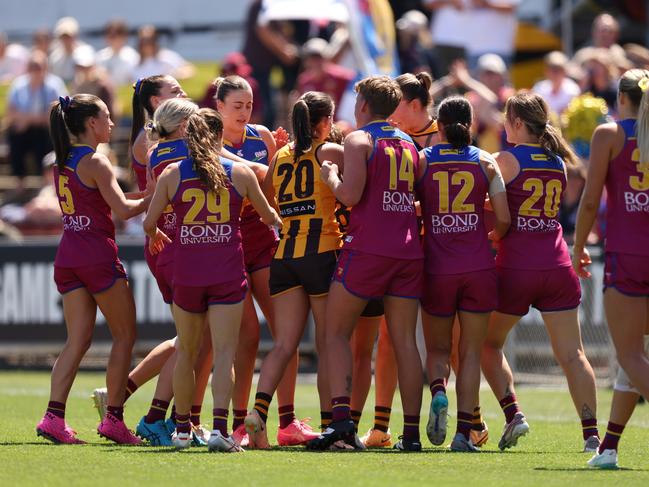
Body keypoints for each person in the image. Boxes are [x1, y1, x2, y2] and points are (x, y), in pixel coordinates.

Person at [145, 108, 281, 452]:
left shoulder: (172, 174)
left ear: (188, 138)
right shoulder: (240, 172)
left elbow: (148, 223)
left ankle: (180, 431)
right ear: (220, 138)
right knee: (224, 353)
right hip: (226, 273)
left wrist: (158, 233)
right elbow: (268, 217)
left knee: (187, 353)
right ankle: (220, 430)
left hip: (188, 274)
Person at [308, 76, 424, 452]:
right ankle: (409, 435)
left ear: (362, 106)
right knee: (405, 342)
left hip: (368, 249)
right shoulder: (410, 143)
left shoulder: (359, 139)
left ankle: (342, 424)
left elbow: (351, 195)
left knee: (335, 333)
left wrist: (330, 175)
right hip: (407, 251)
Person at [481, 92, 600, 452]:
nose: (503, 125)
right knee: (574, 355)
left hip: (516, 266)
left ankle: (513, 414)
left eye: (506, 119)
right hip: (557, 265)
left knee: (486, 344)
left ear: (517, 122)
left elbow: (492, 208)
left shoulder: (505, 159)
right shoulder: (558, 162)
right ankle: (592, 436)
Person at [35, 94, 150, 445]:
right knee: (125, 336)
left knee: (77, 341)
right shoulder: (96, 162)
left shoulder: (61, 161)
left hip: (69, 253)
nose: (112, 123)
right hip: (96, 255)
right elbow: (125, 210)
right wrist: (159, 190)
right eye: (106, 117)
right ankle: (114, 418)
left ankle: (53, 417)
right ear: (90, 124)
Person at [213, 76, 314, 447]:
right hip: (227, 244)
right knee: (247, 338)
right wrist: (269, 166)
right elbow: (255, 175)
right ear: (219, 106)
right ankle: (241, 424)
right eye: (236, 106)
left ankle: (287, 422)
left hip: (264, 241)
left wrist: (281, 158)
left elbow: (272, 188)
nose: (244, 112)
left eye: (249, 105)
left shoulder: (262, 137)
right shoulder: (209, 140)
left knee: (286, 333)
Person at [244, 92, 344, 448]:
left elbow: (265, 199)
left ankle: (257, 410)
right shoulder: (328, 152)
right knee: (327, 343)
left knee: (284, 343)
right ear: (324, 123)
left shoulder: (281, 156)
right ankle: (331, 426)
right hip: (322, 253)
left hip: (284, 256)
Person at [419, 96, 510, 451]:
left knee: (438, 349)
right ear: (471, 125)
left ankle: (438, 391)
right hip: (477, 267)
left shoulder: (423, 160)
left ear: (438, 126)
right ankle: (463, 434)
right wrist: (493, 235)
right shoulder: (486, 161)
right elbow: (503, 218)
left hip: (437, 268)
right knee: (470, 352)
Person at [572, 69, 649, 468]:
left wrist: (578, 246)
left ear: (621, 98)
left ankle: (608, 447)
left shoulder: (610, 134)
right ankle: (609, 448)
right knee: (631, 358)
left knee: (631, 354)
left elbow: (589, 200)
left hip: (629, 255)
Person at [6, 51, 66, 186]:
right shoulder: (18, 84)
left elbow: (57, 112)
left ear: (46, 67)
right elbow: (10, 111)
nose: (35, 71)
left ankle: (46, 181)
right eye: (32, 67)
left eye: (38, 67)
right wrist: (26, 120)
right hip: (25, 128)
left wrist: (28, 119)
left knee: (43, 137)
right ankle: (19, 181)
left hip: (46, 129)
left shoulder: (55, 84)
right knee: (14, 136)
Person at [391, 71, 440, 150]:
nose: (390, 115)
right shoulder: (394, 135)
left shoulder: (445, 137)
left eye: (394, 106)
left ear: (414, 105)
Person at [532, 51, 581, 116]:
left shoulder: (573, 90)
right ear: (546, 71)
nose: (555, 72)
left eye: (558, 69)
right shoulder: (539, 88)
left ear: (564, 71)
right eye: (551, 68)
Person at [48, 17, 95, 84]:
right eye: (63, 37)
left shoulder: (85, 53)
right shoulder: (54, 58)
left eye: (68, 36)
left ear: (75, 35)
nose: (66, 40)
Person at [96, 19, 140, 86]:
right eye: (109, 35)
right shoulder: (100, 56)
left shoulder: (133, 57)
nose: (113, 39)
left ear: (124, 36)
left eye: (116, 35)